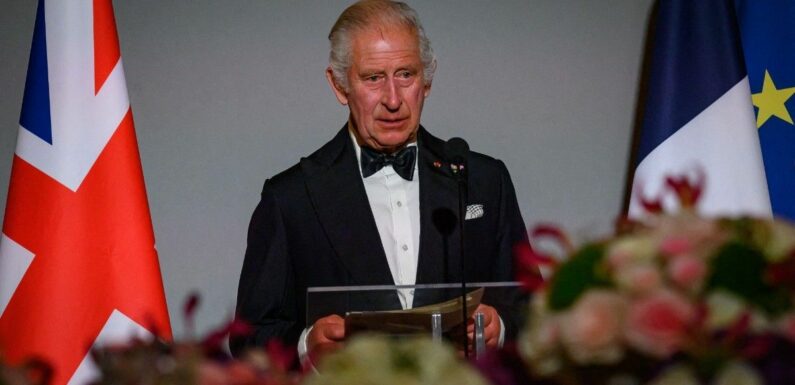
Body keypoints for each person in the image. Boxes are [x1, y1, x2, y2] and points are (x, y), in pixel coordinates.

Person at [231, 0, 532, 365]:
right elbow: (249, 340)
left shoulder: (483, 181)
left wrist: (501, 327)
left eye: (406, 74)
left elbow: (534, 309)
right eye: (373, 78)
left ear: (428, 81)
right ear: (340, 86)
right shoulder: (291, 198)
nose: (393, 99)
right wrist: (307, 345)